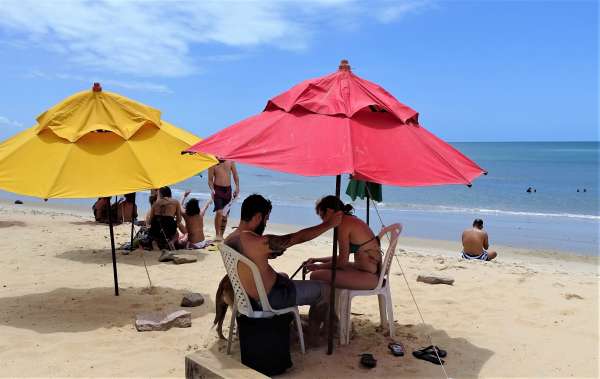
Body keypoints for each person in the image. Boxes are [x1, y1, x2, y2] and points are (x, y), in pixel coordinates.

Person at [224, 194, 342, 344]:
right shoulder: (258, 242)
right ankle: (313, 336)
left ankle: (291, 326)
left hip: (248, 298)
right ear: (258, 217)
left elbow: (251, 258)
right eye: (266, 219)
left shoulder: (229, 240)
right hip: (272, 298)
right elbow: (298, 237)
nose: (266, 223)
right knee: (325, 289)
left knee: (284, 275)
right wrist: (328, 224)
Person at [306, 196, 402, 290]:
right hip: (369, 270)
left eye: (323, 216)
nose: (323, 221)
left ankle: (329, 305)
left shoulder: (342, 225)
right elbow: (342, 258)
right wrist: (317, 260)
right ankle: (332, 304)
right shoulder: (348, 219)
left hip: (371, 276)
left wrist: (318, 266)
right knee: (323, 272)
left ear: (330, 211)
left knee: (316, 275)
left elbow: (342, 262)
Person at [208, 158, 240, 241]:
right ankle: (217, 234)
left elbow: (235, 174)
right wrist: (212, 189)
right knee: (219, 212)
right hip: (217, 190)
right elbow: (210, 180)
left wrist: (237, 187)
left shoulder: (230, 160)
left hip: (228, 190)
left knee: (225, 215)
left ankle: (221, 235)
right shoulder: (212, 162)